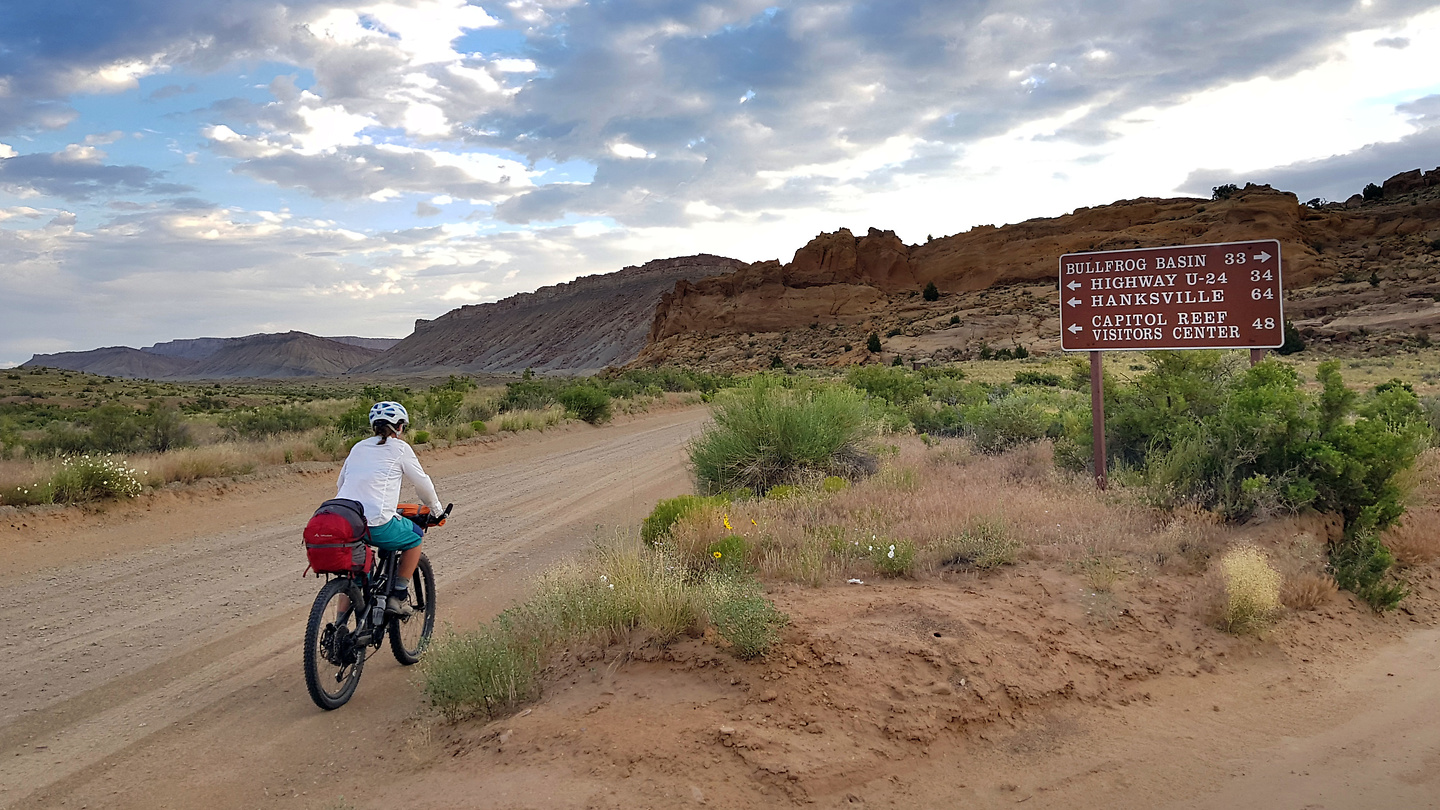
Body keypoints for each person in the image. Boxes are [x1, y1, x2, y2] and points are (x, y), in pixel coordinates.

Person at [334, 401, 445, 617]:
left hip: (344, 521)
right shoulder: (400, 448)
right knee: (415, 537)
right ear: (400, 426)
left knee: (354, 577)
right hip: (376, 523)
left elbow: (341, 485)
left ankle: (339, 628)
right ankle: (398, 595)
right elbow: (422, 483)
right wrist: (436, 510)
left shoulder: (358, 447)